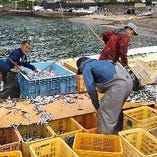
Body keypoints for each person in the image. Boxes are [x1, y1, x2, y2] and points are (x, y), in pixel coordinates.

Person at [76, 57, 133, 134]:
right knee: (115, 109)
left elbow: (90, 88)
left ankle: (104, 139)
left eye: (81, 71)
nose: (82, 72)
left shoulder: (86, 66)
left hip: (118, 86)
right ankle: (117, 133)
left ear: (81, 64)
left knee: (104, 112)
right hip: (129, 82)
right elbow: (107, 78)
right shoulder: (102, 62)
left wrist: (96, 105)